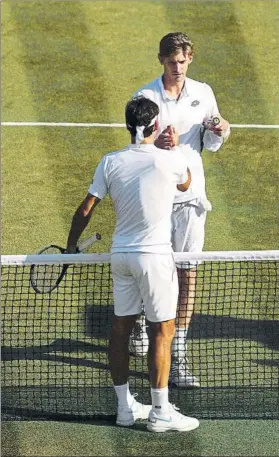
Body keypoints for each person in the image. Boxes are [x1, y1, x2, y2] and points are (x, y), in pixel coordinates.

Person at [66, 96, 199, 433]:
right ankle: (160, 412)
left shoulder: (110, 162)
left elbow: (84, 210)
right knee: (161, 332)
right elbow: (186, 184)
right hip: (155, 260)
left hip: (120, 257)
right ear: (155, 127)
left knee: (120, 330)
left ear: (128, 126)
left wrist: (70, 248)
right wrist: (175, 147)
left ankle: (125, 409)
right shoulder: (170, 161)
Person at [129, 32, 231, 388]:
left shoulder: (203, 93)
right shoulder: (145, 96)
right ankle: (142, 323)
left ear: (190, 59)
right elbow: (136, 145)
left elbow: (214, 139)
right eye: (171, 61)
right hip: (155, 197)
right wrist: (161, 142)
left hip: (191, 199)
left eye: (183, 61)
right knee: (152, 268)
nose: (177, 67)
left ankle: (180, 355)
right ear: (161, 60)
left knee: (187, 274)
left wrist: (221, 129)